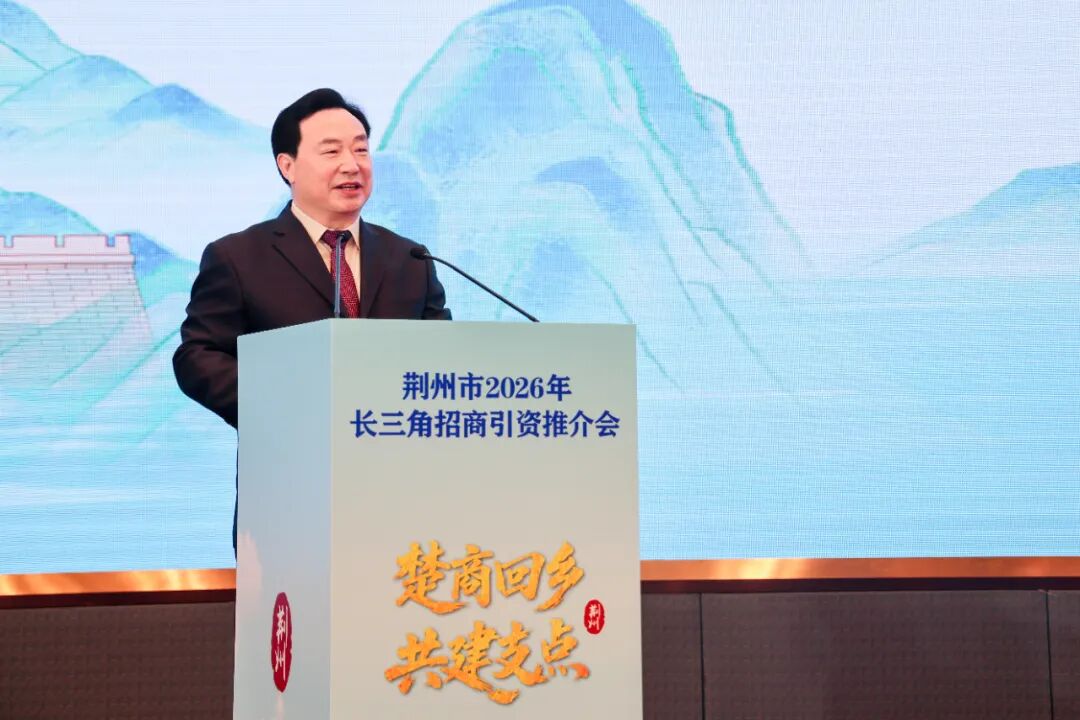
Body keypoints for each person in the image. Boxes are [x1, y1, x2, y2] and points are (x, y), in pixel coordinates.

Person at [173, 88, 451, 547]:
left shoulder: (409, 258)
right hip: (287, 498)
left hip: (400, 499)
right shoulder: (239, 257)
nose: (352, 165)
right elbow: (197, 357)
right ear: (287, 165)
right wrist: (283, 404)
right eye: (332, 151)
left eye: (361, 150)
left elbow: (444, 359)